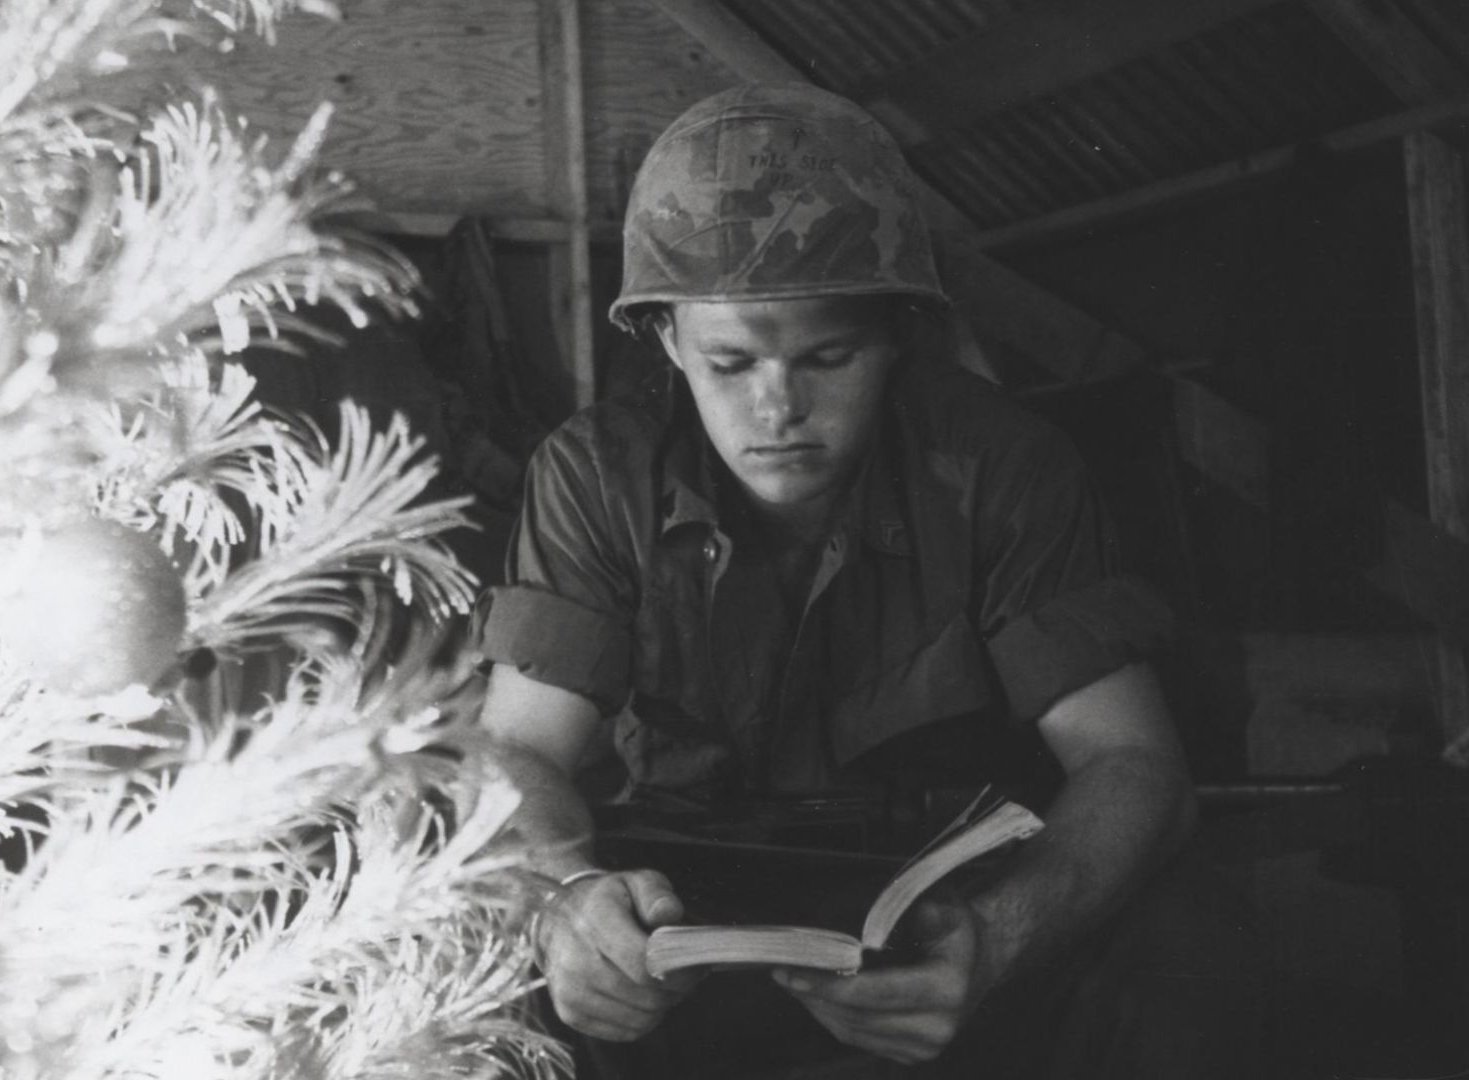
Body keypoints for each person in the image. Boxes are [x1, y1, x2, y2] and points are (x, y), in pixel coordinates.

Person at [475, 84, 1227, 1076]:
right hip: (675, 893)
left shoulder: (1001, 464)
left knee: (1191, 960)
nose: (777, 406)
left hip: (934, 889)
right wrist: (566, 900)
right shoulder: (596, 472)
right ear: (666, 341)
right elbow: (516, 750)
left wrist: (1003, 937)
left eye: (828, 355)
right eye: (730, 363)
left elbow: (1135, 767)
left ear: (896, 334)